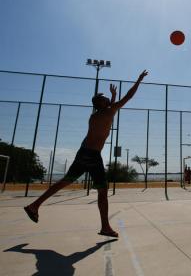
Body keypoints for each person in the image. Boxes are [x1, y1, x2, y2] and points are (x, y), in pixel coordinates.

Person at [24, 70, 149, 238]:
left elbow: (110, 109)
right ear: (101, 103)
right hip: (92, 155)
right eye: (104, 98)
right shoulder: (108, 111)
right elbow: (128, 97)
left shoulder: (95, 115)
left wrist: (111, 98)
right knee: (102, 191)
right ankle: (105, 227)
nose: (106, 99)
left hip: (83, 153)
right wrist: (139, 79)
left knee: (64, 181)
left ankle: (34, 205)